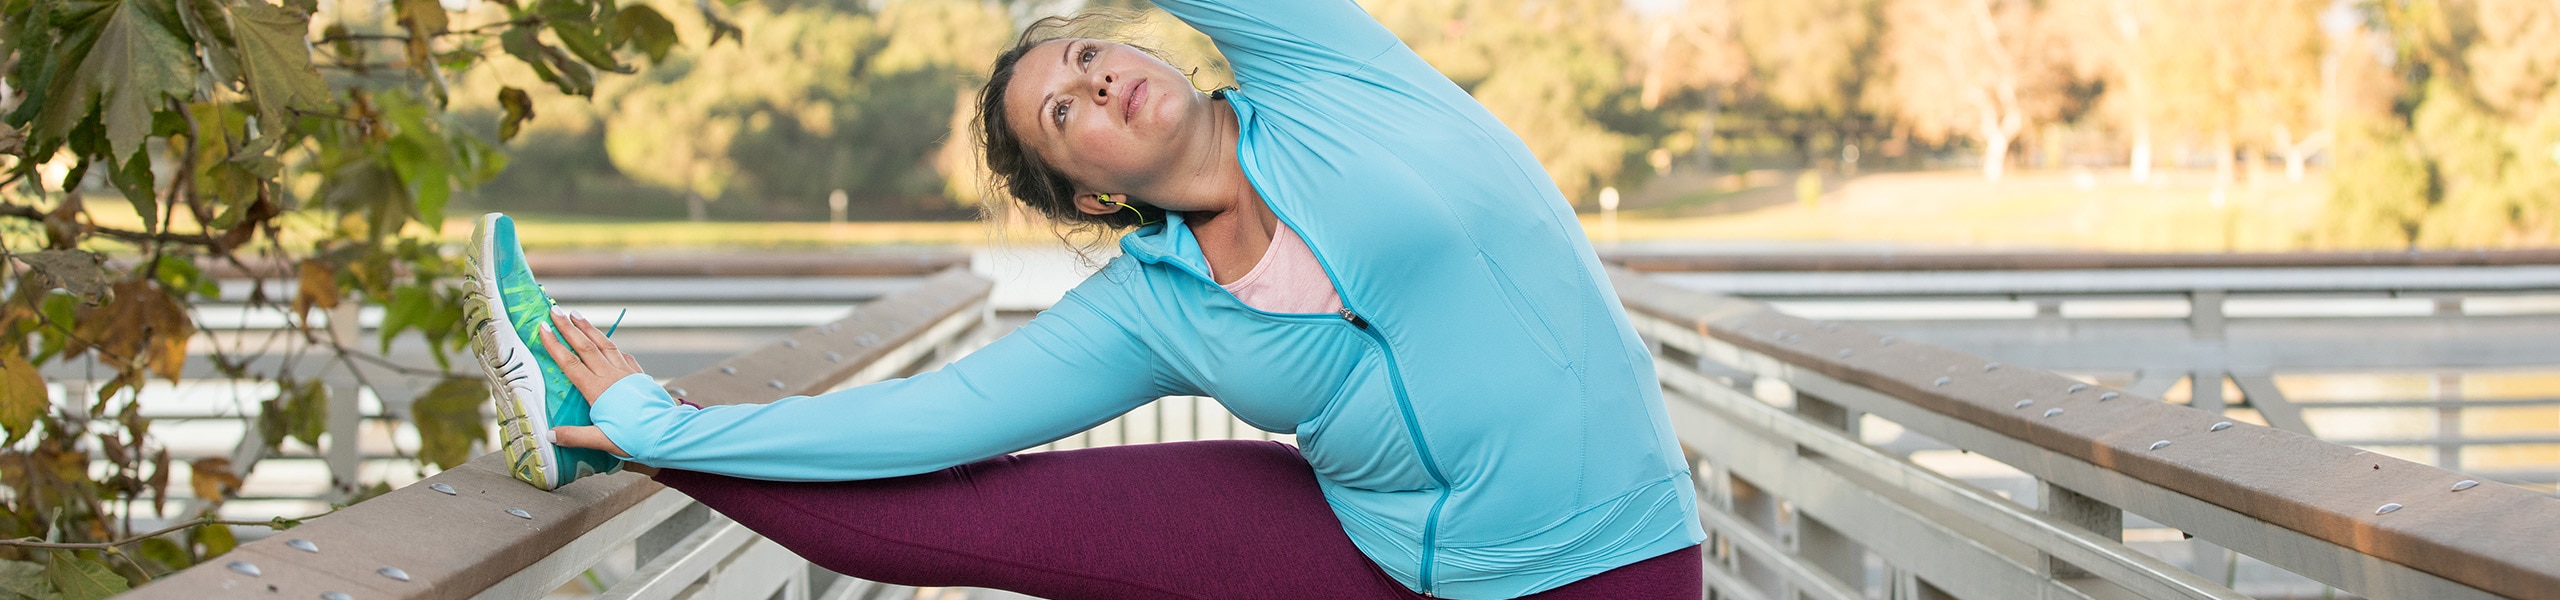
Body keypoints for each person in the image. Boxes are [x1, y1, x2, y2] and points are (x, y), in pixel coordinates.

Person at [514, 2, 1705, 598]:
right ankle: (629, 430)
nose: (1097, 82)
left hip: (1611, 555)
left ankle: (632, 426)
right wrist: (673, 429)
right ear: (1086, 197)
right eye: (1063, 112)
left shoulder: (1330, 73)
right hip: (1383, 551)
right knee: (952, 503)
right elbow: (934, 415)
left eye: (1093, 56)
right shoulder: (1151, 304)